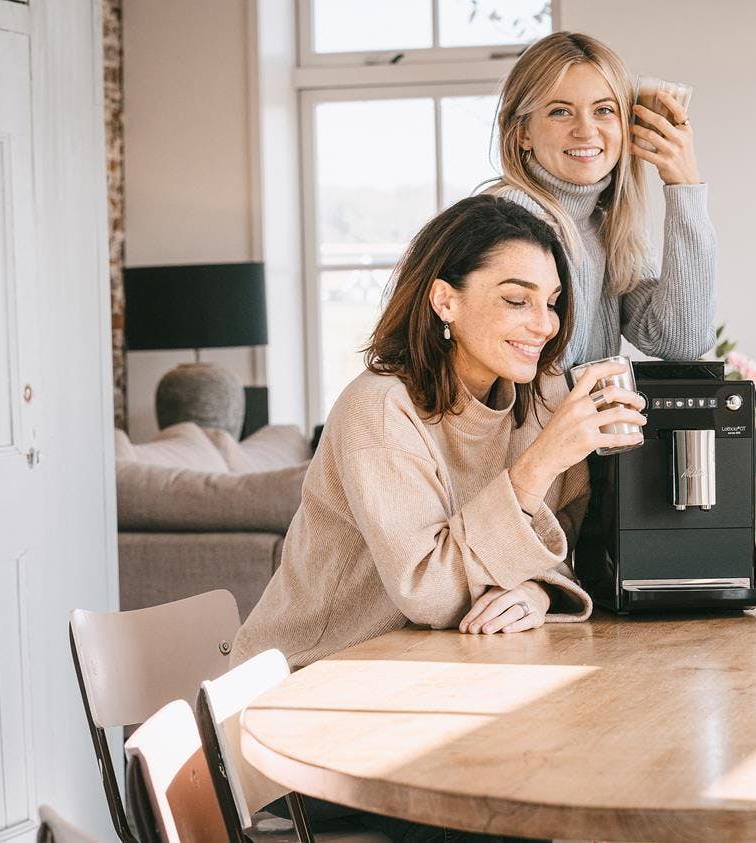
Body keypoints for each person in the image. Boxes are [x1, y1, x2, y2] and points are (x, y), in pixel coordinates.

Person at [231, 194, 646, 842]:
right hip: (310, 714)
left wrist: (535, 589)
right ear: (444, 299)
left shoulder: (535, 399)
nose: (543, 322)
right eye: (517, 298)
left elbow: (560, 542)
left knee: (608, 762)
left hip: (426, 697)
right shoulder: (381, 408)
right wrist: (539, 464)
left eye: (553, 300)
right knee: (507, 810)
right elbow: (427, 587)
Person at [487, 31, 715, 366]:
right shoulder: (512, 222)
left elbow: (681, 340)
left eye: (604, 110)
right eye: (560, 112)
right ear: (522, 133)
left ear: (626, 125)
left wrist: (684, 187)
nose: (586, 130)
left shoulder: (607, 226)